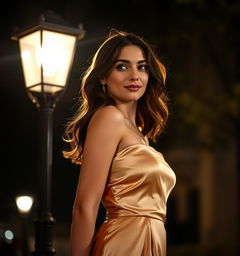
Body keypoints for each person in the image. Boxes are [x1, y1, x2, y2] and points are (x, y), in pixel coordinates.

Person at [63, 30, 176, 256]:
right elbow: (85, 206)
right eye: (122, 66)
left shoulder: (142, 134)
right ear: (103, 76)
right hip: (123, 244)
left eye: (142, 67)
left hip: (153, 242)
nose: (135, 75)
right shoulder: (109, 118)